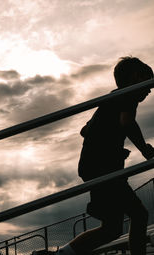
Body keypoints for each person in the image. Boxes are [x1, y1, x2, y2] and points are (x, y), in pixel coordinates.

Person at [57, 56, 154, 255]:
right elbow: (127, 123)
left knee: (112, 228)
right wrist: (144, 149)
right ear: (135, 78)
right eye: (148, 81)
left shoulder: (112, 99)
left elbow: (85, 130)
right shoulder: (128, 95)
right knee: (139, 215)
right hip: (103, 168)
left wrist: (105, 140)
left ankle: (62, 254)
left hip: (95, 166)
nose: (150, 89)